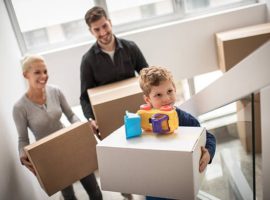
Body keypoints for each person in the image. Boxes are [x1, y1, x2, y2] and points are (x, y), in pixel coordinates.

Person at [13, 55, 103, 200]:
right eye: (37, 72)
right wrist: (22, 155)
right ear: (25, 75)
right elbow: (23, 139)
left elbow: (71, 115)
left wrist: (81, 127)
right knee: (68, 196)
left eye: (45, 71)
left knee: (95, 191)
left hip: (70, 146)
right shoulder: (19, 107)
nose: (43, 76)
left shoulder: (55, 91)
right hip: (50, 156)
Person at [138, 66, 216, 200]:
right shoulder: (142, 121)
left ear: (174, 89)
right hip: (155, 184)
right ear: (148, 100)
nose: (166, 98)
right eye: (158, 95)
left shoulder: (184, 118)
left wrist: (208, 152)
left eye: (169, 91)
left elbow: (208, 136)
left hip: (181, 181)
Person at [80, 6, 148, 138]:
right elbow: (84, 97)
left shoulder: (130, 48)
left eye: (105, 26)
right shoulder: (88, 60)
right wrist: (91, 119)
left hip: (136, 114)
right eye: (97, 29)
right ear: (91, 31)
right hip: (108, 119)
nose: (103, 32)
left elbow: (147, 77)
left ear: (110, 22)